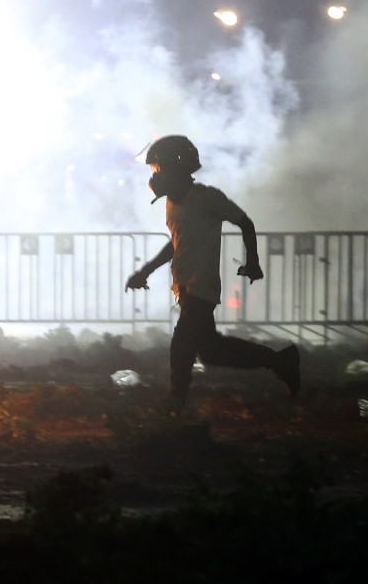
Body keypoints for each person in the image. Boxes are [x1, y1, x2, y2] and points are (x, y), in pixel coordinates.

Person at [125, 134, 300, 413]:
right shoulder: (173, 204)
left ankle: (175, 402)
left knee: (182, 345)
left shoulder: (206, 198)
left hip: (201, 285)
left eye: (158, 168)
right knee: (211, 351)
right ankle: (281, 362)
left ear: (176, 167)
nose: (155, 176)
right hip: (185, 285)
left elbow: (245, 222)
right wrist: (145, 271)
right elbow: (177, 242)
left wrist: (253, 261)